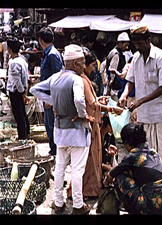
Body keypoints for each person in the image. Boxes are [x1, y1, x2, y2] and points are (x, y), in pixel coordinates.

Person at [118, 23, 162, 193]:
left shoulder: (161, 57)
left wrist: (139, 101)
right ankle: (155, 175)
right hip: (147, 112)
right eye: (136, 44)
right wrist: (125, 94)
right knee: (150, 147)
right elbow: (130, 81)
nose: (138, 47)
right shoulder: (136, 59)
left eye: (141, 44)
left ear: (149, 40)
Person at [30, 44, 91, 215]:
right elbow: (79, 100)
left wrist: (53, 101)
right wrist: (82, 114)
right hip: (77, 131)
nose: (84, 66)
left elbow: (34, 89)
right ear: (74, 64)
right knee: (77, 170)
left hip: (60, 132)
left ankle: (58, 203)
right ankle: (78, 206)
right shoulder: (76, 80)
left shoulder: (55, 77)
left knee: (60, 168)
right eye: (81, 63)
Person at [66, 48, 123, 200]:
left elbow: (91, 102)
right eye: (91, 66)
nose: (93, 69)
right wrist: (110, 108)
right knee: (88, 160)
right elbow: (89, 103)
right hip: (89, 124)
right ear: (84, 65)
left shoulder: (82, 78)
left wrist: (98, 101)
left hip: (89, 122)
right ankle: (86, 190)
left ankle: (87, 189)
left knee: (89, 159)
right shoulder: (82, 80)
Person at [103, 123, 162, 215]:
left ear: (127, 143)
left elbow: (112, 174)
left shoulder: (133, 156)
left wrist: (105, 183)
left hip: (152, 207)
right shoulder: (153, 152)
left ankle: (134, 211)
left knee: (120, 177)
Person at [37, 26, 63, 156]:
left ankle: (56, 152)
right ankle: (53, 150)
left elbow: (58, 77)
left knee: (52, 126)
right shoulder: (50, 53)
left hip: (51, 97)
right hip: (47, 95)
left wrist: (52, 99)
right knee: (49, 125)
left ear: (41, 40)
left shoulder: (52, 55)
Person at [6, 37, 30, 140]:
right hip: (21, 90)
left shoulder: (14, 63)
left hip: (16, 92)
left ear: (10, 49)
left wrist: (22, 93)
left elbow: (17, 81)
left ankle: (22, 137)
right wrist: (25, 92)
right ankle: (26, 133)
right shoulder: (22, 59)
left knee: (19, 115)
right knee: (22, 114)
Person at [106, 32, 130, 101]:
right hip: (116, 89)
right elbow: (112, 72)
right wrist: (109, 88)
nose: (127, 47)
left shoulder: (114, 52)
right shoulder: (116, 54)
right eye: (125, 45)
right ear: (120, 43)